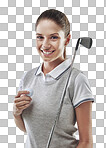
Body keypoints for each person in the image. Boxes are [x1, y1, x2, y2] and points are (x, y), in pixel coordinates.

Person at [13, 9, 94, 148]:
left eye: (53, 37)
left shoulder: (76, 79)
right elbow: (31, 131)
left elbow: (86, 142)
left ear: (67, 40)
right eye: (40, 37)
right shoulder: (28, 77)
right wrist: (16, 112)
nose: (45, 44)